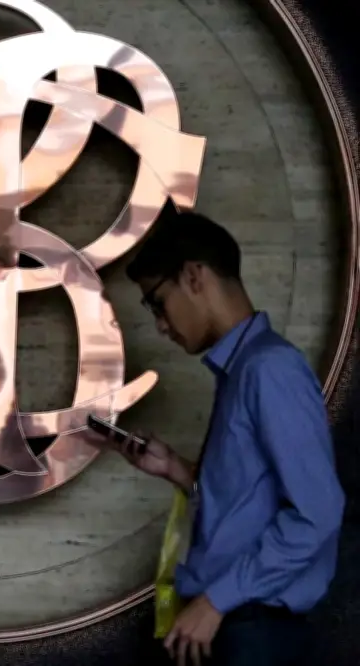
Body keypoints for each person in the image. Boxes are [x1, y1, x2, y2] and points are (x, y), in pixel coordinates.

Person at [110, 211, 345, 666]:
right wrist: (175, 469)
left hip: (253, 631)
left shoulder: (269, 369)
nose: (160, 325)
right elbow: (247, 503)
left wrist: (217, 600)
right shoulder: (242, 370)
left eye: (158, 303)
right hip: (232, 627)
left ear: (194, 277)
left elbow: (318, 512)